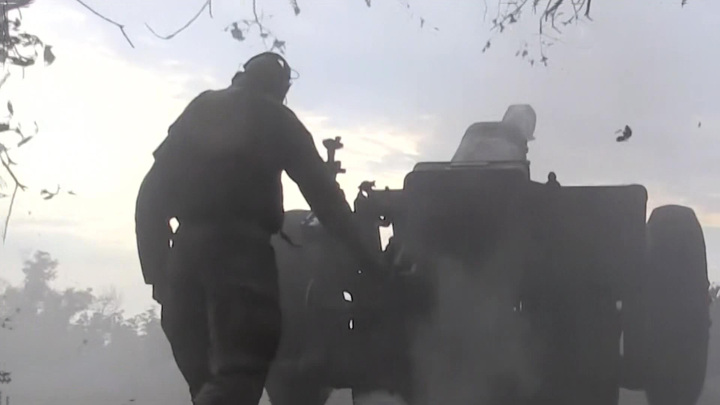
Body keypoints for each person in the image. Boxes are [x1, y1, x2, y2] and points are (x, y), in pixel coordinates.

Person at [134, 52, 386, 405]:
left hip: (184, 261)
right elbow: (326, 200)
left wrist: (160, 277)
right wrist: (373, 265)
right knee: (236, 382)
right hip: (239, 264)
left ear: (241, 75)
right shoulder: (277, 118)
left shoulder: (200, 109)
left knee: (206, 386)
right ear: (280, 89)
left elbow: (149, 198)